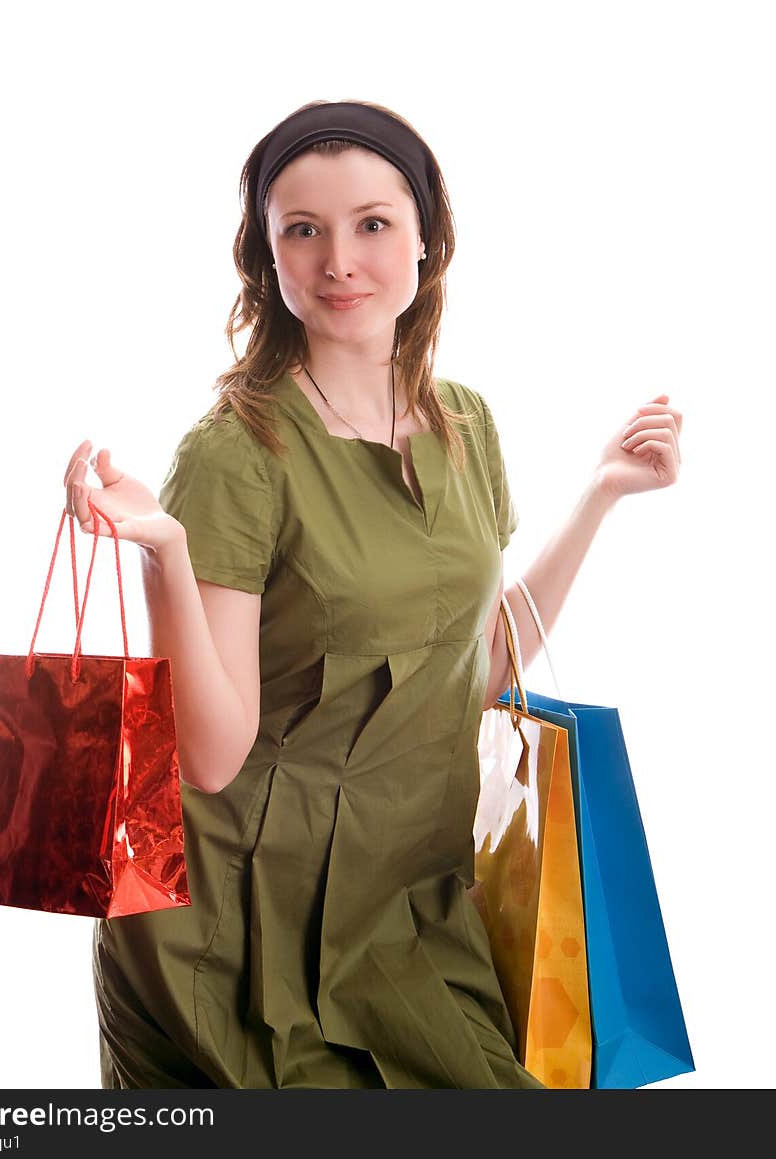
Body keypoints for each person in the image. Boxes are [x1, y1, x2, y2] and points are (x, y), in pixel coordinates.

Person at [63, 99, 683, 1089]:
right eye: (300, 231)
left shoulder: (464, 425)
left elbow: (473, 665)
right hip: (240, 919)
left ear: (426, 239)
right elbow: (212, 759)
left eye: (371, 224)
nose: (338, 261)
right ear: (265, 256)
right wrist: (167, 556)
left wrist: (601, 495)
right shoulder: (234, 456)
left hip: (409, 898)